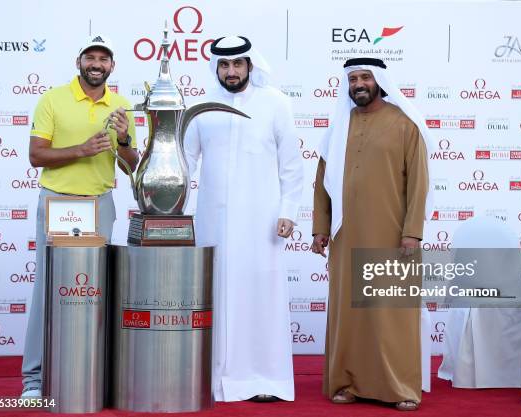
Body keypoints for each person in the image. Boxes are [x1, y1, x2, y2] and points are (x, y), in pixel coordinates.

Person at [184, 35, 303, 402]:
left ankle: (263, 379)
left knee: (260, 296)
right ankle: (213, 378)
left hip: (262, 220)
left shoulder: (275, 103)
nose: (231, 71)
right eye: (224, 65)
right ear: (215, 67)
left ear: (250, 65)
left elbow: (292, 165)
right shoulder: (201, 107)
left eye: (237, 64)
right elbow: (185, 161)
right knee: (215, 293)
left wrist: (288, 212)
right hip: (212, 222)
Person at [21, 34, 138, 397]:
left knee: (96, 288)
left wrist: (122, 141)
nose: (97, 64)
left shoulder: (121, 106)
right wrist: (82, 149)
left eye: (104, 59)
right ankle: (34, 381)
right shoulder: (53, 99)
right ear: (79, 62)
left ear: (112, 67)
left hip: (101, 203)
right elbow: (37, 156)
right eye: (91, 57)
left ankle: (94, 376)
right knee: (50, 287)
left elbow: (132, 166)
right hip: (60, 201)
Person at [312, 57, 431, 411]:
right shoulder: (338, 126)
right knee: (349, 313)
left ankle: (400, 388)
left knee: (390, 313)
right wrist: (320, 228)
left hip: (393, 235)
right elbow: (322, 184)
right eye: (353, 79)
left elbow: (419, 185)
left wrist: (412, 233)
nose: (358, 84)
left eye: (365, 77)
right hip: (345, 235)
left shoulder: (405, 124)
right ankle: (347, 382)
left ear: (379, 80)